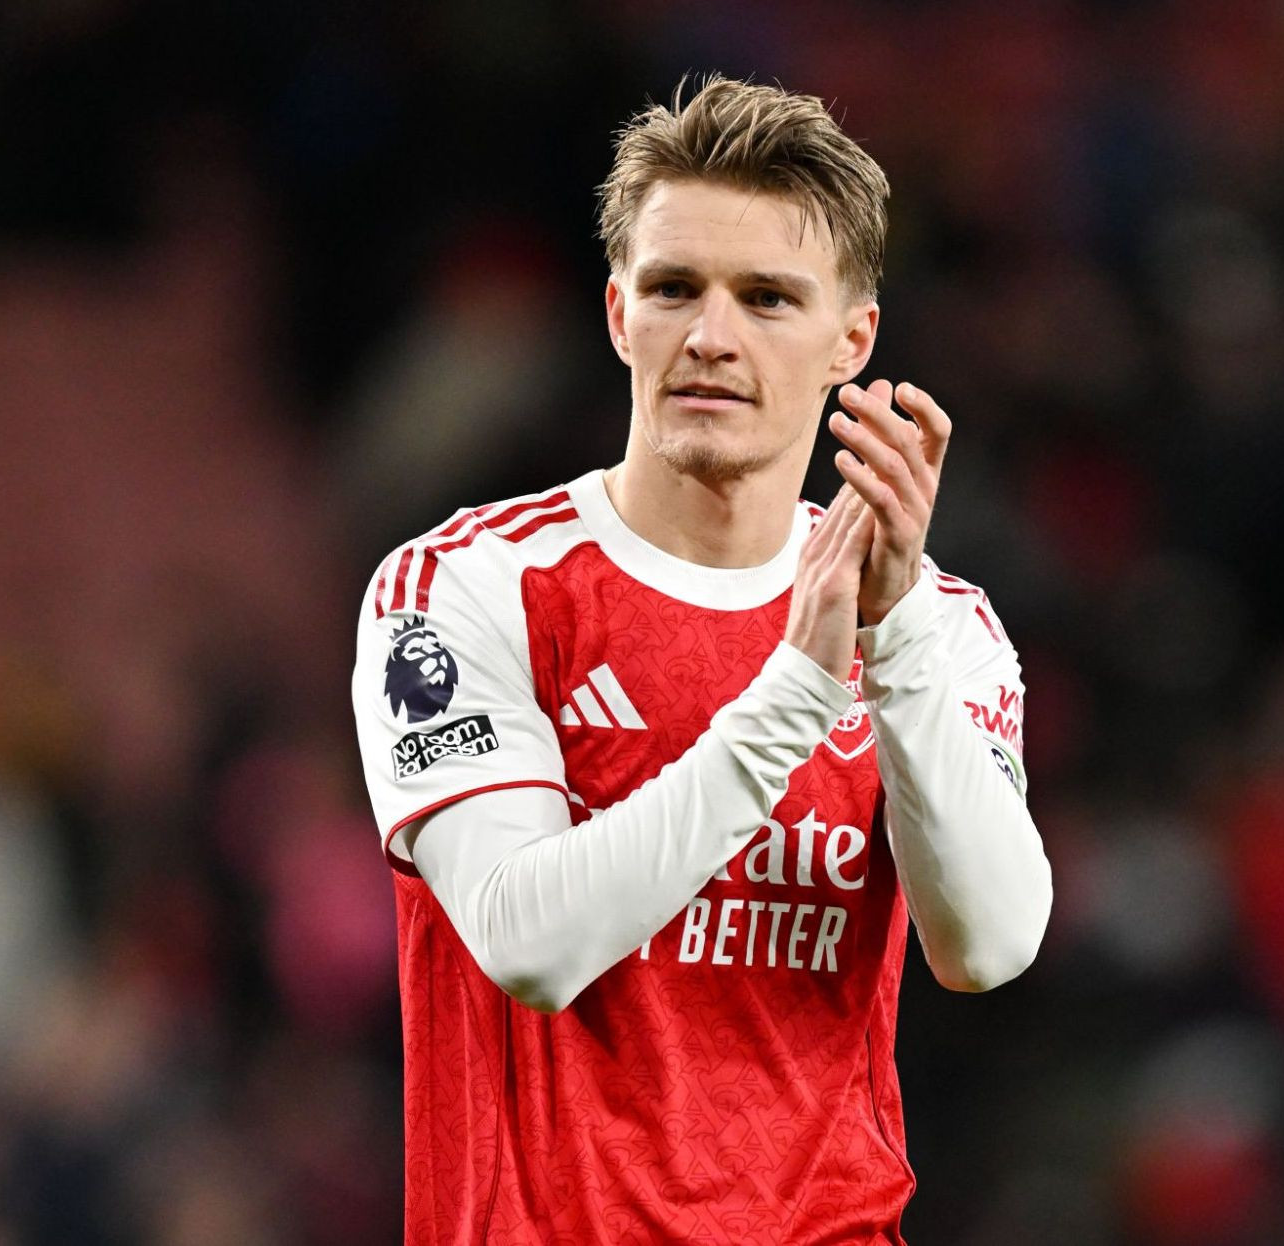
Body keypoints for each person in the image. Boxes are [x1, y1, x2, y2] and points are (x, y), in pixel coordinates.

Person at [352, 75, 1052, 1244]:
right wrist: (793, 693)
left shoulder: (939, 626)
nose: (710, 337)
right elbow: (528, 944)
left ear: (852, 340)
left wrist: (891, 638)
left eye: (767, 298)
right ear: (618, 312)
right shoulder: (466, 587)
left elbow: (986, 943)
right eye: (675, 288)